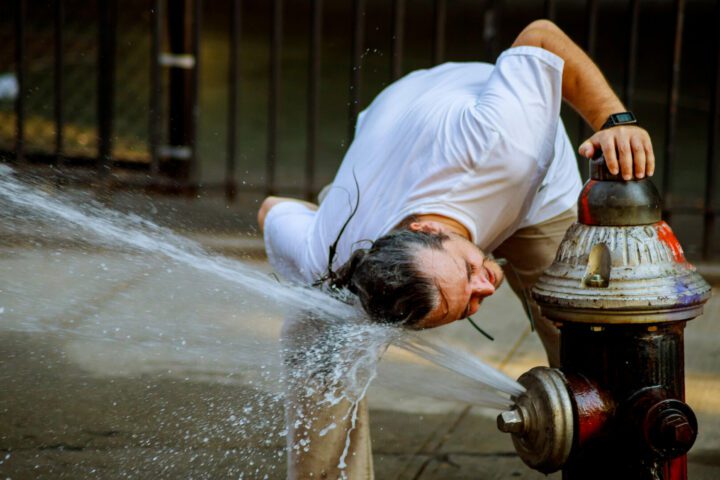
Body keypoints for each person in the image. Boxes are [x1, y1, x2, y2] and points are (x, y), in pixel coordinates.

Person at [259, 19, 654, 479]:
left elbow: (541, 36)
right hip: (391, 132)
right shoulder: (331, 250)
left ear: (428, 227)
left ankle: (621, 467)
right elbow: (270, 211)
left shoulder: (502, 141)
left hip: (520, 175)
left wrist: (615, 121)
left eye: (468, 271)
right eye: (468, 305)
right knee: (320, 335)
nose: (486, 285)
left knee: (591, 343)